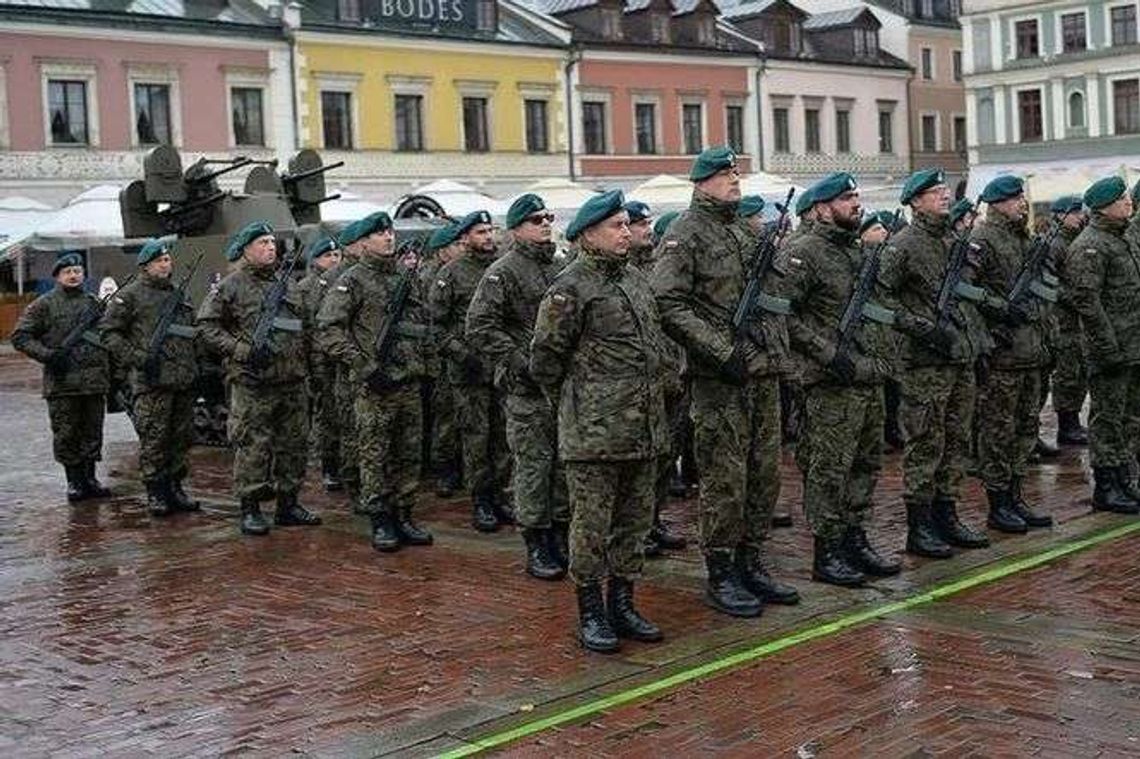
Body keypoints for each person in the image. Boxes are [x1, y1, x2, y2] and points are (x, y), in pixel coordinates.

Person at [652, 146, 799, 617]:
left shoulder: (743, 228)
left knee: (763, 474)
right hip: (721, 378)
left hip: (763, 371)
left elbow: (773, 297)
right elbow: (669, 304)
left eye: (735, 172)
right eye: (723, 174)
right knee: (725, 479)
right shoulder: (684, 234)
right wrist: (722, 350)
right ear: (700, 183)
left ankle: (751, 561)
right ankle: (721, 571)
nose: (734, 180)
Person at [530, 189, 670, 653]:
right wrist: (582, 404)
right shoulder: (570, 287)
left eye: (627, 224)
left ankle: (623, 603)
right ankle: (591, 610)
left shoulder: (633, 279)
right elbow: (546, 360)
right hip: (594, 434)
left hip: (643, 427)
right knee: (590, 526)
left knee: (634, 523)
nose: (626, 232)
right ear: (588, 234)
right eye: (616, 226)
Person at [778, 173, 900, 587]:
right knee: (830, 469)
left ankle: (855, 537)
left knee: (865, 464)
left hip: (866, 375)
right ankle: (827, 551)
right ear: (819, 208)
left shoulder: (855, 251)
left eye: (855, 196)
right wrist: (827, 353)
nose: (855, 203)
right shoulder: (802, 252)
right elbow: (783, 315)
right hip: (828, 380)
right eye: (845, 198)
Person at [878, 169, 991, 559]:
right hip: (924, 362)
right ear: (915, 201)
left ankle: (948, 513)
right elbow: (880, 302)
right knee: (926, 443)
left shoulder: (954, 240)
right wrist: (923, 328)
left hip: (959, 356)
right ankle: (919, 526)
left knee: (956, 439)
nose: (944, 196)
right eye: (935, 192)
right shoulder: (902, 245)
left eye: (945, 190)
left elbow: (968, 296)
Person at [466, 194, 570, 578]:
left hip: (561, 385)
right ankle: (536, 541)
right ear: (516, 229)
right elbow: (479, 326)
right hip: (525, 389)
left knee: (562, 464)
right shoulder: (503, 271)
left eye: (548, 217)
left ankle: (560, 532)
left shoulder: (561, 266)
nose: (545, 224)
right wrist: (518, 361)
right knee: (533, 466)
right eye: (535, 219)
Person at [318, 212, 435, 551]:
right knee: (374, 453)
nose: (388, 238)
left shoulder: (406, 277)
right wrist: (363, 365)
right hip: (374, 385)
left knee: (409, 453)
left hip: (408, 381)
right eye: (380, 234)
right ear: (364, 241)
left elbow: (421, 325)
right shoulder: (352, 280)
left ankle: (405, 513)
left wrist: (425, 367)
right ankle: (380, 517)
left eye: (390, 232)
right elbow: (329, 329)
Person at [197, 221, 322, 535]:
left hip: (292, 379)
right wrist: (241, 350)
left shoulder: (289, 284)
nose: (270, 248)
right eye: (263, 243)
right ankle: (250, 507)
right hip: (254, 382)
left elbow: (306, 329)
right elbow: (207, 328)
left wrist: (311, 367)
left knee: (294, 446)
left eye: (272, 242)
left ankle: (288, 504)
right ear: (246, 249)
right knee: (254, 445)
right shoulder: (230, 285)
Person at [971, 176, 1054, 532]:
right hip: (1003, 353)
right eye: (1016, 198)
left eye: (1022, 197)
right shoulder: (981, 239)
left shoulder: (1024, 238)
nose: (1023, 203)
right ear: (998, 203)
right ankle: (998, 503)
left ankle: (1017, 496)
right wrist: (1000, 309)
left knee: (1025, 427)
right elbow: (967, 291)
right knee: (998, 431)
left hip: (1031, 350)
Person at [99, 237, 201, 516]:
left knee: (180, 438)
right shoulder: (129, 295)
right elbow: (109, 333)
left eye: (167, 260)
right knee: (154, 438)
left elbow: (190, 331)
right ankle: (156, 491)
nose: (165, 265)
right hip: (152, 380)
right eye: (160, 261)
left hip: (182, 377)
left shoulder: (178, 293)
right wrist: (136, 357)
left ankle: (175, 488)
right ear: (145, 266)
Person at [430, 210, 512, 533]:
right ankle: (480, 500)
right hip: (468, 373)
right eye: (480, 232)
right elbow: (436, 328)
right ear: (464, 238)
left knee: (502, 438)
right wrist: (463, 355)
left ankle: (500, 497)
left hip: (500, 369)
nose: (488, 237)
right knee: (476, 438)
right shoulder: (449, 275)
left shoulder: (500, 270)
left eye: (490, 231)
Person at [1063, 176, 1140, 513]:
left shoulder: (1121, 240)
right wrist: (1107, 348)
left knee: (1128, 417)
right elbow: (1087, 303)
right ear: (1106, 207)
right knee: (1107, 418)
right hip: (1111, 349)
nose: (1129, 203)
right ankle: (1106, 487)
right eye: (1123, 199)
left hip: (1132, 345)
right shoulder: (1090, 245)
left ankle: (1124, 480)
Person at [12, 250, 111, 502]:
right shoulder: (44, 305)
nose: (73, 275)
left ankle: (90, 478)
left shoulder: (93, 303)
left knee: (92, 433)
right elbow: (20, 336)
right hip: (63, 383)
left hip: (93, 382)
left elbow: (108, 336)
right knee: (67, 433)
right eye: (67, 272)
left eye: (77, 271)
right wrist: (47, 355)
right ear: (57, 276)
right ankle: (74, 482)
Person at [295, 236, 343, 491]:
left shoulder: (344, 282)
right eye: (328, 256)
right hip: (319, 361)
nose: (334, 260)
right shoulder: (305, 288)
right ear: (316, 260)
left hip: (340, 357)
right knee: (328, 417)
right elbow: (304, 331)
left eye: (337, 256)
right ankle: (329, 466)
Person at [419, 224, 464, 497]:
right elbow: (430, 321)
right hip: (438, 358)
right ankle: (444, 468)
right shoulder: (429, 277)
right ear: (443, 250)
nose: (462, 248)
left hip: (456, 356)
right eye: (457, 244)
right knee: (445, 415)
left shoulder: (460, 272)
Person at [1044, 196, 1090, 446]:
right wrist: (1076, 298)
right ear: (1059, 215)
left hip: (1078, 319)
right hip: (1063, 320)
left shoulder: (1076, 239)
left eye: (1079, 212)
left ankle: (1073, 422)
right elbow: (1052, 283)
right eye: (1073, 213)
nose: (1079, 217)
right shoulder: (1054, 243)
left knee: (1079, 370)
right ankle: (1066, 424)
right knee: (1067, 373)